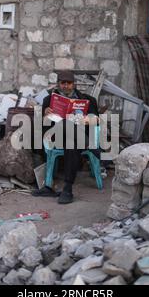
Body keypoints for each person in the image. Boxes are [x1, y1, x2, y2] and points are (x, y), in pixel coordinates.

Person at [32, 70, 99, 204]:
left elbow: (96, 120)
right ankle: (90, 147)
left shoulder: (87, 100)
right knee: (64, 123)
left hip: (74, 138)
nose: (66, 86)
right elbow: (43, 124)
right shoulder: (49, 100)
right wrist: (46, 114)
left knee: (72, 143)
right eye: (63, 83)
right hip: (57, 135)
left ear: (74, 84)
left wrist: (84, 120)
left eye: (69, 83)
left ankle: (67, 188)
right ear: (58, 84)